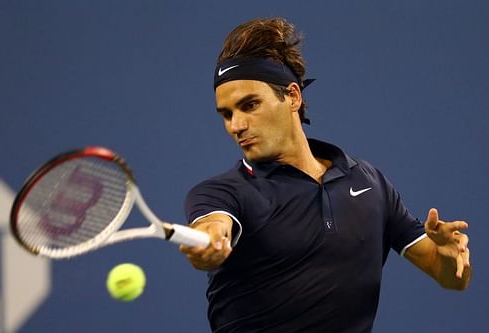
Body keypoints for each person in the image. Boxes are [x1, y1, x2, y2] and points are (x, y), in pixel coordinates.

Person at [180, 17, 471, 333]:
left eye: (249, 105)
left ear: (292, 96)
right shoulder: (221, 193)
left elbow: (449, 277)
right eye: (227, 114)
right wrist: (210, 243)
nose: (236, 125)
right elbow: (213, 228)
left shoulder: (370, 183)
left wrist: (448, 256)